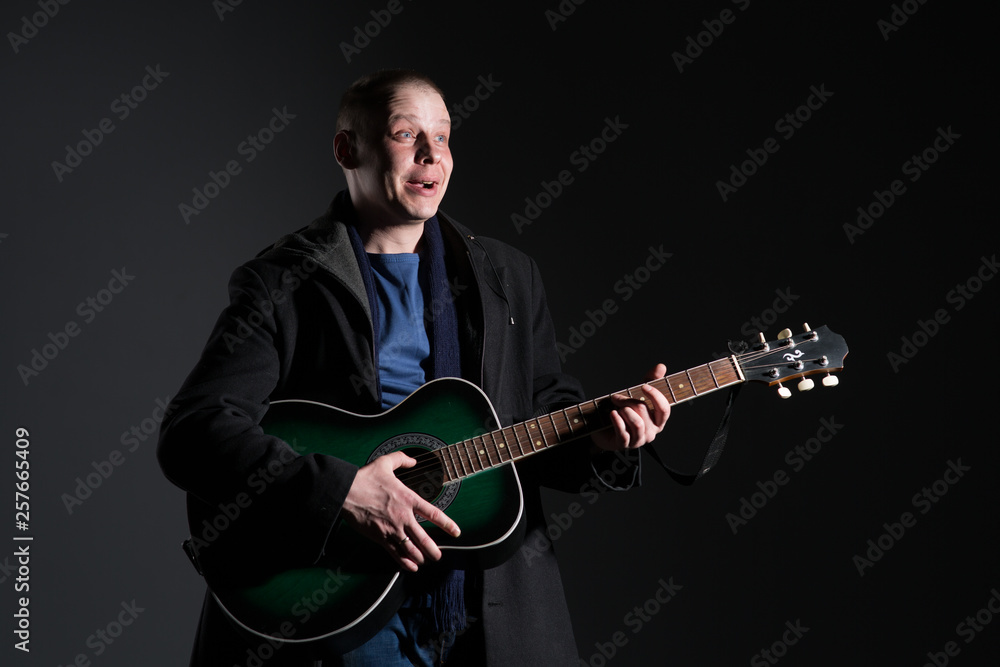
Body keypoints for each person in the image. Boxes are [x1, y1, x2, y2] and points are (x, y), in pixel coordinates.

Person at [157, 69, 669, 666]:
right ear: (348, 148)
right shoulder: (283, 283)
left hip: (492, 616)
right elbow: (194, 432)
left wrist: (604, 440)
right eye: (406, 134)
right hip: (338, 615)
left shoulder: (508, 277)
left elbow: (540, 416)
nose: (431, 154)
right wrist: (342, 489)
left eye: (444, 137)